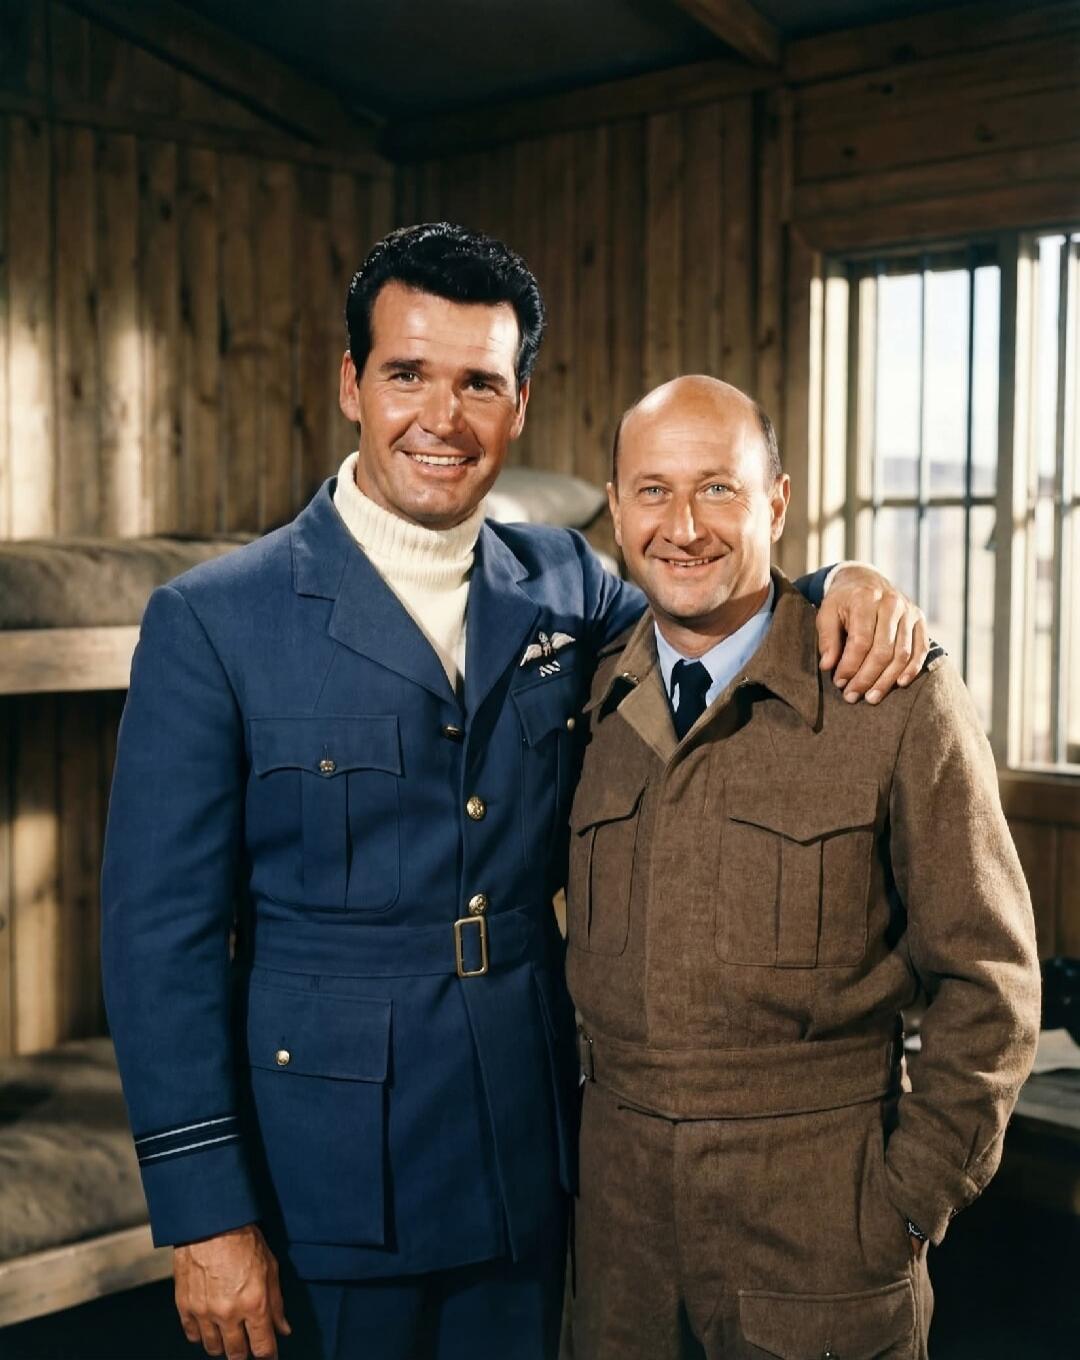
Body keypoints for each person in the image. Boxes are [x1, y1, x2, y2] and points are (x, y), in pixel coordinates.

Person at [100, 225, 926, 1360]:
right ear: (350, 384)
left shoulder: (567, 582)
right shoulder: (214, 620)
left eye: (479, 383)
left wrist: (839, 580)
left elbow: (711, 612)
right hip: (328, 1179)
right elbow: (158, 941)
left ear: (520, 403)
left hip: (526, 1153)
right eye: (407, 373)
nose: (442, 418)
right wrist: (205, 1214)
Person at [566, 375, 1041, 1360]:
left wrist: (907, 1203)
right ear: (614, 508)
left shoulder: (892, 694)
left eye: (719, 488)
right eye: (653, 491)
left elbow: (992, 985)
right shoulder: (586, 698)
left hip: (823, 1248)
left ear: (777, 502)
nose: (683, 526)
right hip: (617, 1257)